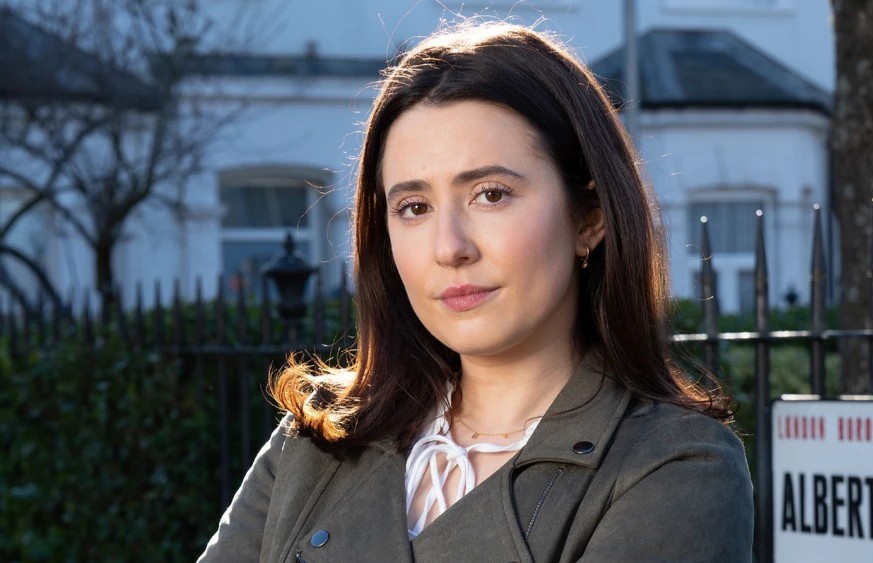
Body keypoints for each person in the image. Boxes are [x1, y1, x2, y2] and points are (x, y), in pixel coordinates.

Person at [199, 20, 753, 562]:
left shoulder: (673, 465)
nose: (449, 247)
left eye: (491, 194)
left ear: (589, 216)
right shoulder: (317, 439)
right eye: (414, 207)